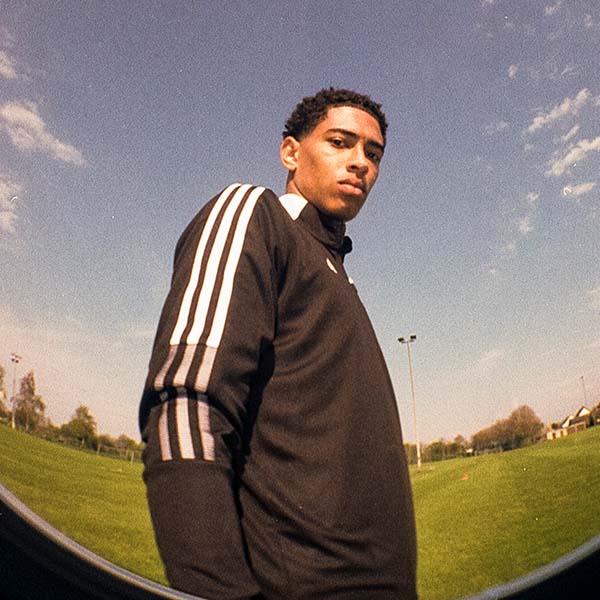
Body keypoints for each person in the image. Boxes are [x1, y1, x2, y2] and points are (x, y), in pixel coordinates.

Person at [139, 88, 418, 600]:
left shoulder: (338, 273)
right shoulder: (255, 212)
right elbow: (187, 406)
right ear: (291, 152)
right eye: (340, 142)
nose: (361, 162)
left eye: (374, 153)